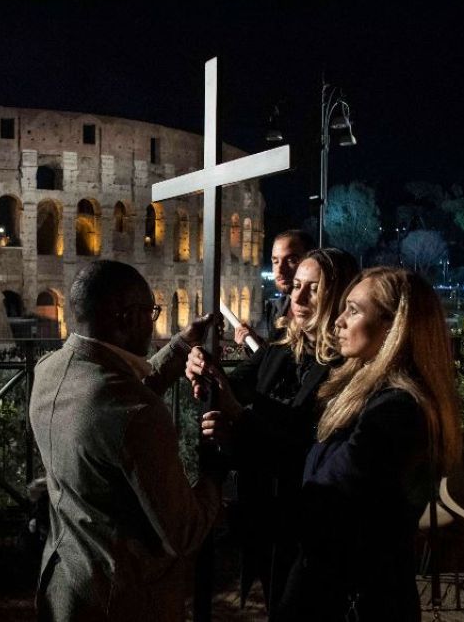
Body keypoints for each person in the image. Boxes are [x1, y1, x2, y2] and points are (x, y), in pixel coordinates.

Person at [30, 259, 223, 621]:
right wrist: (217, 465)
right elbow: (184, 532)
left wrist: (180, 345)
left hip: (65, 584)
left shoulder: (49, 370)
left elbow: (108, 412)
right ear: (126, 318)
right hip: (124, 599)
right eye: (151, 312)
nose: (152, 322)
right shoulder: (134, 412)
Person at [272, 267, 462, 621]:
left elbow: (333, 498)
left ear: (394, 326)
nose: (338, 321)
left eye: (354, 310)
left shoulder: (396, 410)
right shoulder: (374, 396)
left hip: (351, 599)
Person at [187, 247, 359, 615]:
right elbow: (234, 386)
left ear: (340, 296)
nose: (296, 298)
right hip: (263, 510)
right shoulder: (281, 347)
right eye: (296, 286)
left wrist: (238, 417)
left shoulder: (347, 367)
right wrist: (201, 368)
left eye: (313, 289)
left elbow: (311, 446)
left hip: (306, 519)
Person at [234, 229, 315, 348]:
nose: (280, 270)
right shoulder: (275, 309)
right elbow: (276, 359)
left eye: (291, 260)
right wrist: (253, 343)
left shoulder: (321, 312)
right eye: (275, 261)